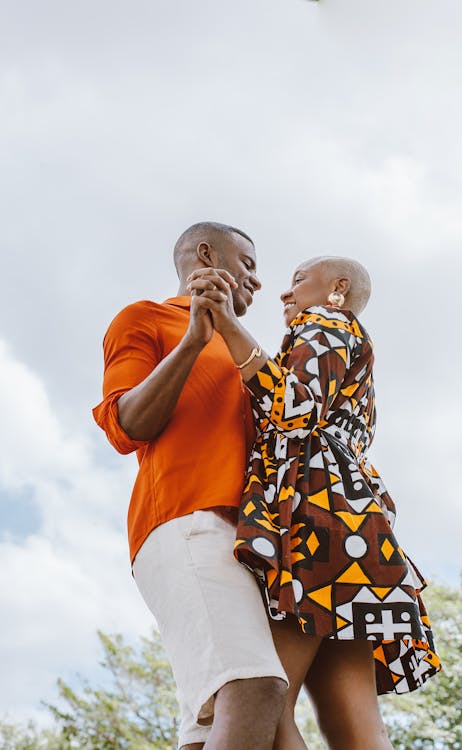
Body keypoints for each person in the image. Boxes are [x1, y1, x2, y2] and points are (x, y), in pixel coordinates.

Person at [188, 256, 441, 750]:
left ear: (338, 289)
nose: (286, 294)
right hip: (354, 531)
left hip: (319, 518)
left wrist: (229, 326)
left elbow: (295, 407)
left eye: (298, 281)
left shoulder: (323, 323)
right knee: (355, 722)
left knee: (266, 697)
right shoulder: (355, 347)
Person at [93, 221, 288, 750]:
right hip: (188, 523)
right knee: (255, 685)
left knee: (208, 730)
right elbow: (127, 424)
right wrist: (193, 341)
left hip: (251, 544)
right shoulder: (146, 318)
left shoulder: (246, 351)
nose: (258, 281)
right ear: (206, 254)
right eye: (248, 264)